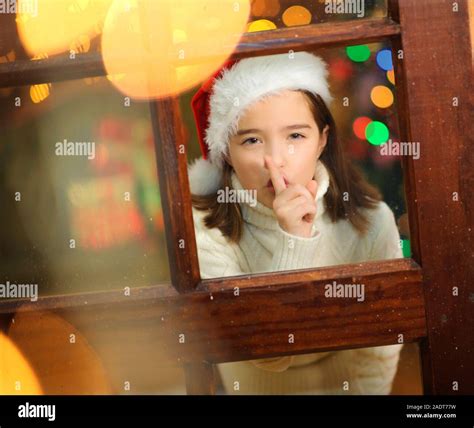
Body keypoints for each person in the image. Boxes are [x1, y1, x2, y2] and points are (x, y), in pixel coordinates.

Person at [188, 51, 403, 395]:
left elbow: (381, 346)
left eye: (296, 137)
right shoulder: (205, 227)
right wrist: (294, 241)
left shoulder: (371, 219)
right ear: (226, 151)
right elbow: (269, 357)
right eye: (252, 140)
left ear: (322, 140)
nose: (276, 160)